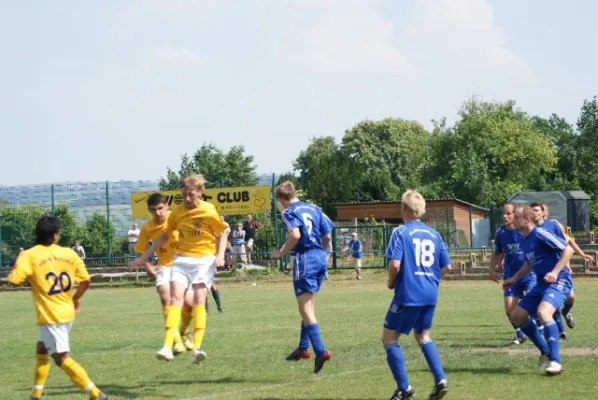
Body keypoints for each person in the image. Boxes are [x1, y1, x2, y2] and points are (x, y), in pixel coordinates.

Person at [129, 174, 228, 364]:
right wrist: (143, 258)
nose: (187, 199)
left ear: (199, 192)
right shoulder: (177, 213)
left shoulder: (208, 210)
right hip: (181, 260)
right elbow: (163, 237)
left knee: (198, 300)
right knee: (174, 299)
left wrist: (220, 255)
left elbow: (222, 232)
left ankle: (196, 348)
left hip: (204, 260)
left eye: (191, 194)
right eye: (184, 195)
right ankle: (167, 346)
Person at [8, 216, 108, 400]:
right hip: (66, 311)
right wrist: (76, 299)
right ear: (54, 235)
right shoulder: (70, 254)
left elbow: (14, 280)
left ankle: (96, 394)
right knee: (42, 349)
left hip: (50, 315)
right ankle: (35, 395)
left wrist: (19, 259)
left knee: (61, 358)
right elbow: (86, 281)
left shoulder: (30, 255)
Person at [382, 191, 451, 400]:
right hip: (430, 293)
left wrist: (390, 281)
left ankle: (404, 389)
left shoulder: (400, 232)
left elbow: (395, 263)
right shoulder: (434, 234)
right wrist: (432, 279)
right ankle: (440, 380)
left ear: (403, 208)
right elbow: (447, 265)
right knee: (423, 335)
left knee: (389, 338)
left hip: (409, 293)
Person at [271, 181, 334, 373]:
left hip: (304, 258)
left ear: (282, 199)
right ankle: (303, 348)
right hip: (320, 257)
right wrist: (319, 252)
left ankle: (320, 350)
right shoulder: (315, 208)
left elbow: (295, 235)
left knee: (305, 308)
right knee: (309, 305)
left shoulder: (288, 212)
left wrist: (280, 253)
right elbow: (328, 236)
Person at [504, 205, 574, 375]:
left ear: (527, 220)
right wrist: (514, 278)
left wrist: (555, 271)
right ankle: (545, 351)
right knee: (517, 316)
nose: (513, 219)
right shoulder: (523, 239)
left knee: (544, 313)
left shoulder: (540, 233)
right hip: (542, 283)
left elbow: (568, 249)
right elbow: (530, 262)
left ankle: (556, 362)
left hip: (560, 281)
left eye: (517, 217)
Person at [131, 192, 190, 355]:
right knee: (166, 299)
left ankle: (184, 331)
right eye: (153, 210)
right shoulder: (147, 228)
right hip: (164, 266)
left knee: (188, 306)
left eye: (160, 208)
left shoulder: (177, 218)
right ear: (149, 211)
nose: (157, 213)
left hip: (184, 264)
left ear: (166, 207)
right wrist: (148, 265)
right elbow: (141, 251)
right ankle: (176, 341)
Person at [489, 203, 536, 345]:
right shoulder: (500, 233)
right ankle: (520, 333)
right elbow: (497, 251)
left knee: (532, 301)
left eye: (508, 213)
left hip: (529, 274)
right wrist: (492, 268)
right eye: (503, 213)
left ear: (515, 215)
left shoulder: (523, 230)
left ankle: (539, 328)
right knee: (509, 307)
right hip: (510, 275)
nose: (505, 216)